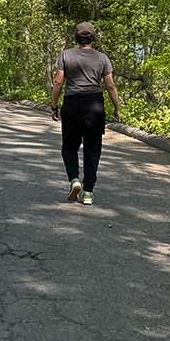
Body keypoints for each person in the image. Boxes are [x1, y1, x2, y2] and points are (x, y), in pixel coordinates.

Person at [50, 22, 123, 206]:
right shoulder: (102, 58)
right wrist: (117, 108)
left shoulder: (66, 55)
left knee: (69, 146)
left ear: (76, 37)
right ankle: (88, 191)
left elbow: (58, 82)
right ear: (93, 38)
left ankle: (74, 179)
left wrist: (54, 105)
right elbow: (110, 85)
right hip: (94, 106)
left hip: (72, 104)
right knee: (92, 150)